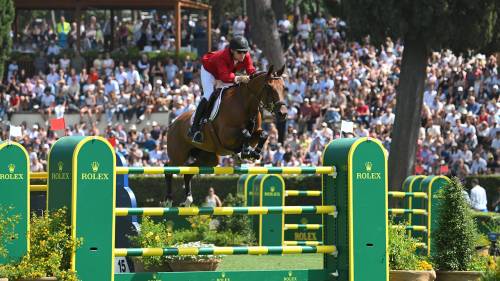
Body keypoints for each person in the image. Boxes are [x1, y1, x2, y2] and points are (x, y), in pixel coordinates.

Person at [188, 36, 256, 143]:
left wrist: (261, 77)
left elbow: (251, 70)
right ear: (232, 50)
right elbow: (224, 77)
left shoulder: (245, 55)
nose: (243, 55)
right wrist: (240, 78)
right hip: (209, 70)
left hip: (226, 73)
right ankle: (194, 128)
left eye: (244, 52)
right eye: (240, 52)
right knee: (209, 94)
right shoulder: (222, 57)